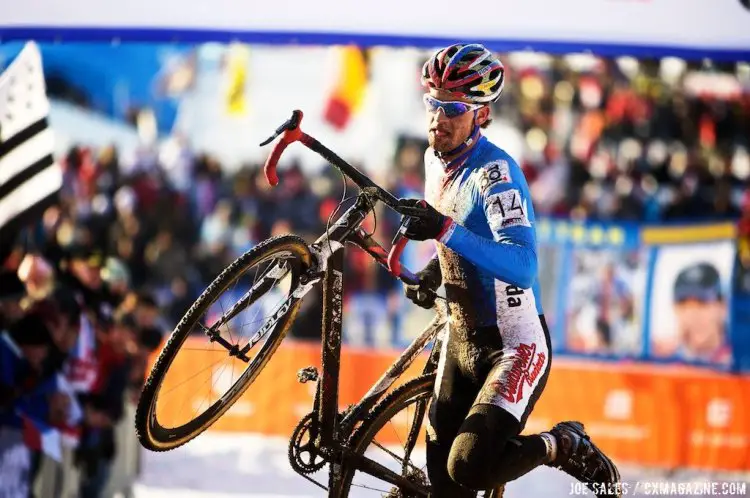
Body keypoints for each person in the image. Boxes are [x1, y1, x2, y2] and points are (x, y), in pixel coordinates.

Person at [398, 43, 621, 497]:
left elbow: (521, 267)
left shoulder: (496, 174)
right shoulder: (432, 158)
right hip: (459, 339)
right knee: (444, 488)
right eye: (432, 103)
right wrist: (434, 275)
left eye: (454, 108)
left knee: (470, 469)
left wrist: (441, 229)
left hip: (513, 346)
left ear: (481, 114)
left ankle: (564, 443)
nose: (438, 118)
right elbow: (465, 236)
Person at [670, 262, 730, 364]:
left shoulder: (741, 362)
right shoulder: (662, 363)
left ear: (722, 307)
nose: (693, 315)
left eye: (702, 304)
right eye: (684, 306)